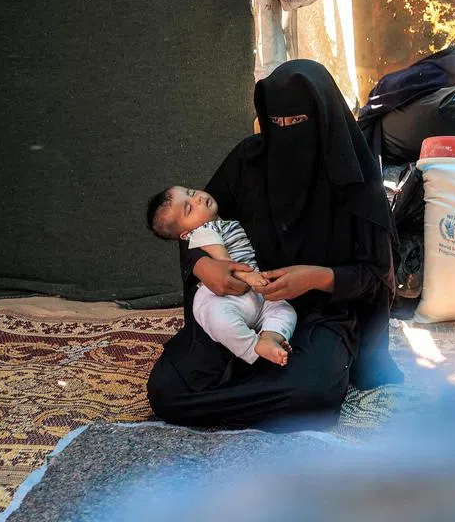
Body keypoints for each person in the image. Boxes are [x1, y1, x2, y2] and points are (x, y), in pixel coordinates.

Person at [146, 60, 402, 430]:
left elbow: (374, 277)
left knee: (314, 389)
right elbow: (196, 221)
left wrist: (316, 278)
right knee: (166, 391)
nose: (285, 131)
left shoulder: (354, 180)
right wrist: (205, 266)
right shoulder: (248, 161)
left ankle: (261, 393)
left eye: (297, 122)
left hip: (322, 313)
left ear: (325, 119)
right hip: (245, 302)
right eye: (276, 122)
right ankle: (271, 395)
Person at [146, 185, 296, 366]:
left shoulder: (225, 224)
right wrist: (249, 277)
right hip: (226, 295)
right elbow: (225, 263)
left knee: (284, 309)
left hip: (253, 292)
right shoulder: (203, 232)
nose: (197, 199)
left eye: (191, 192)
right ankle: (251, 347)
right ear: (185, 235)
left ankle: (269, 338)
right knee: (217, 317)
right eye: (189, 208)